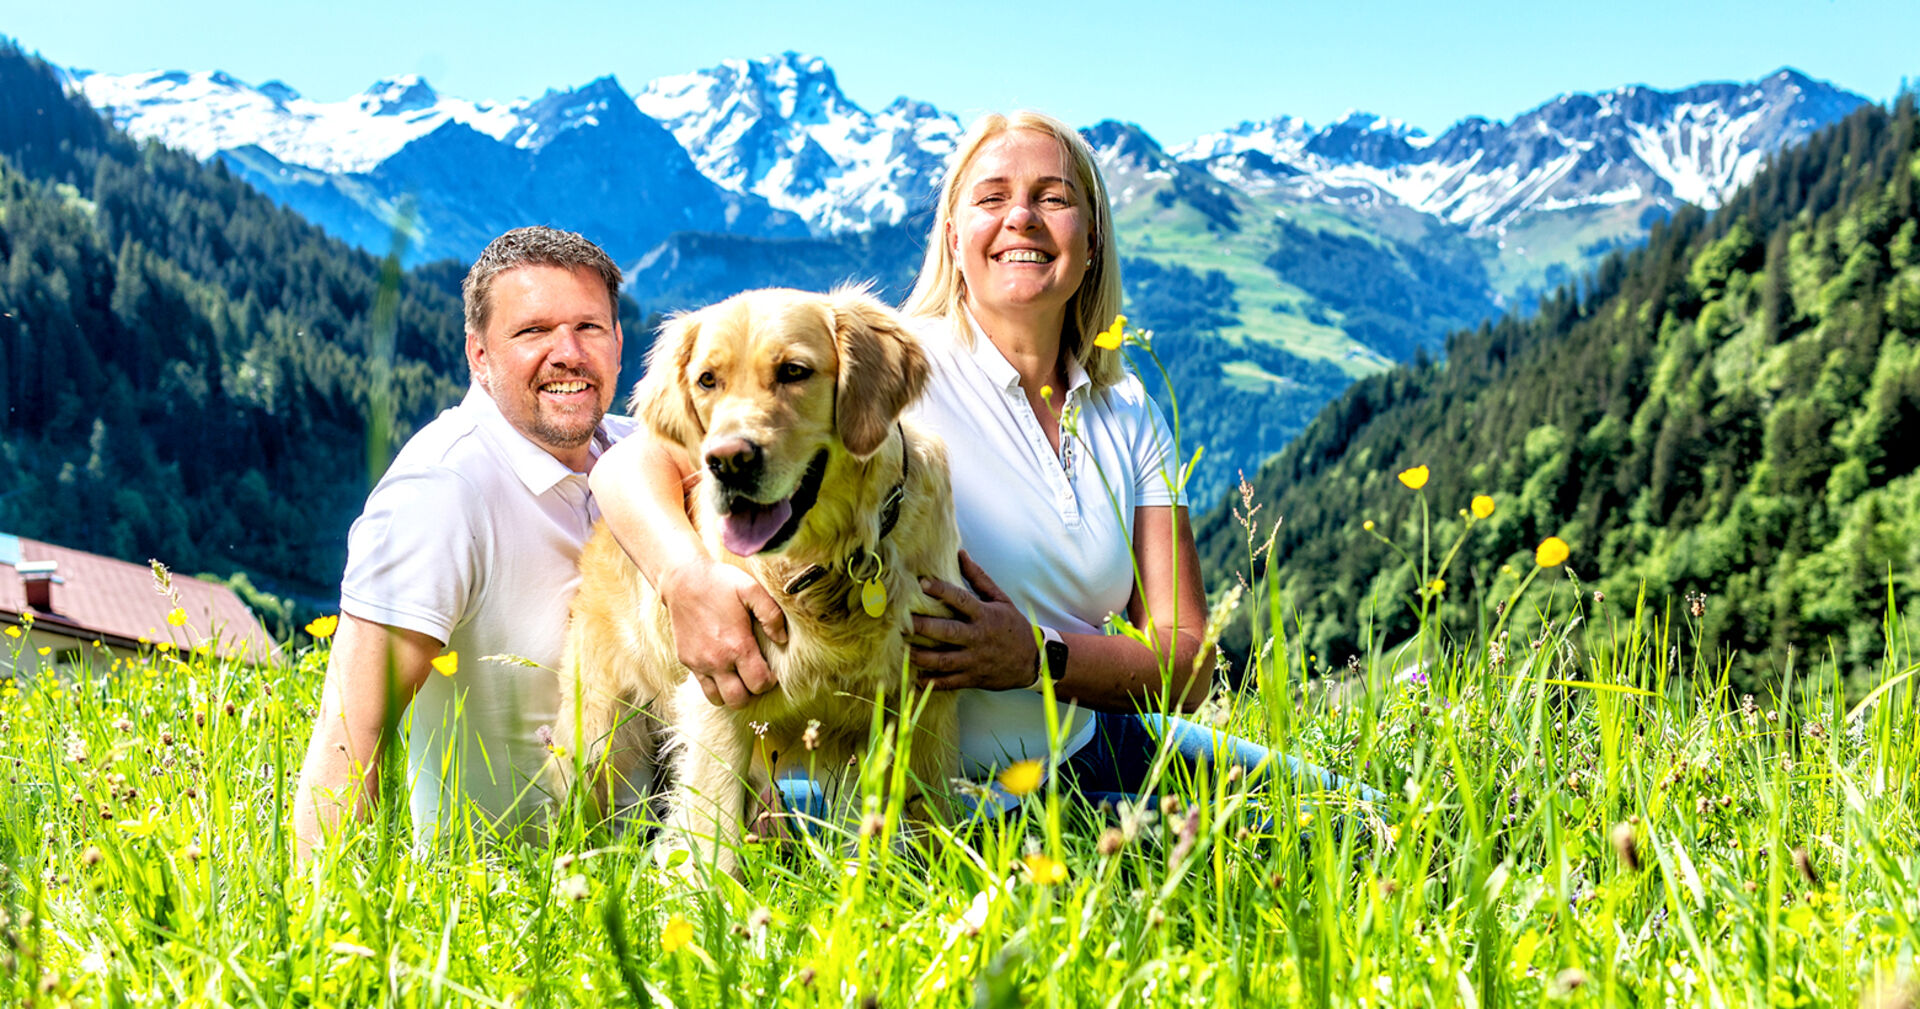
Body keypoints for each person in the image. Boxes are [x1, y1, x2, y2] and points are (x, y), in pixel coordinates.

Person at [593, 112, 1374, 817]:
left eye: (1053, 198)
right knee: (1258, 840)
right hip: (954, 790)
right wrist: (686, 577)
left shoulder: (1127, 405)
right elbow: (631, 466)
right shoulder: (886, 373)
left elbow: (1188, 664)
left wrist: (1036, 657)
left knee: (1368, 817)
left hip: (1096, 732)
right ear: (953, 236)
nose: (1021, 217)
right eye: (992, 197)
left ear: (1093, 238)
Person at [293, 226, 634, 858]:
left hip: (688, 861)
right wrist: (319, 913)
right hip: (514, 890)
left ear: (617, 343)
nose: (568, 353)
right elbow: (349, 738)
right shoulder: (440, 492)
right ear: (479, 355)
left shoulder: (644, 451)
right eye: (533, 331)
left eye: (588, 327)